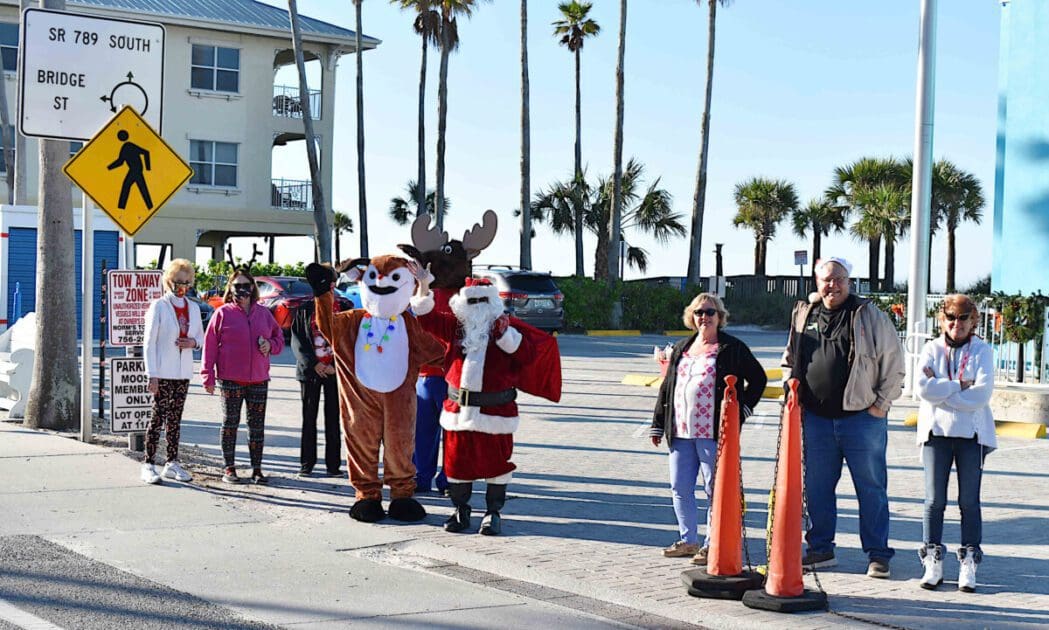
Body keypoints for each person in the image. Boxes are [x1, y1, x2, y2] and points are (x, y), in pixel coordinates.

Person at [781, 257, 905, 578]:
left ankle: (878, 555)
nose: (832, 285)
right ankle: (821, 549)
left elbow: (894, 362)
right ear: (816, 282)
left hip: (862, 419)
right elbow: (790, 358)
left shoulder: (868, 315)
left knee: (871, 488)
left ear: (849, 281)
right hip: (816, 420)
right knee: (818, 488)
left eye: (838, 279)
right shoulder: (804, 314)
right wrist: (791, 394)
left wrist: (881, 405)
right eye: (826, 280)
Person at [413, 272, 562, 536]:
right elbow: (427, 318)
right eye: (473, 301)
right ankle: (461, 509)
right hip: (458, 412)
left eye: (483, 300)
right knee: (457, 465)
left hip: (497, 413)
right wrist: (424, 285)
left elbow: (527, 356)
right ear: (462, 304)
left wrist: (506, 336)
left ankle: (493, 513)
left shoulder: (507, 330)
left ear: (493, 303)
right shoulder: (455, 328)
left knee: (497, 467)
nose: (478, 306)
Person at [650, 293, 766, 565]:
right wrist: (657, 423)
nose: (704, 317)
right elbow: (668, 387)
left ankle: (711, 544)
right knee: (680, 486)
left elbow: (758, 379)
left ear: (720, 317)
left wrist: (742, 410)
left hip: (714, 432)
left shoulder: (732, 348)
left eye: (710, 312)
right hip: (680, 431)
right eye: (699, 312)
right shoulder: (682, 347)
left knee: (714, 488)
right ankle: (688, 539)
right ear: (692, 316)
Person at [915, 294, 996, 592]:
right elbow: (921, 388)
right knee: (935, 501)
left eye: (963, 317)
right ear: (942, 319)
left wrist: (943, 391)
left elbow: (981, 395)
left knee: (969, 502)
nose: (956, 323)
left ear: (973, 320)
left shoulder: (983, 351)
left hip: (971, 437)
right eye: (950, 316)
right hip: (936, 434)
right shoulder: (931, 348)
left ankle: (969, 561)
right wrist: (959, 385)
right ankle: (932, 558)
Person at [201, 269, 284, 485]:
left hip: (258, 379)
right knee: (230, 424)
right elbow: (209, 346)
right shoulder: (222, 313)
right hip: (230, 380)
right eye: (237, 286)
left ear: (253, 289)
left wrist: (270, 345)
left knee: (257, 427)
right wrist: (207, 376)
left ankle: (257, 469)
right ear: (231, 288)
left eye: (246, 285)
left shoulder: (264, 314)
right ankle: (229, 468)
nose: (242, 290)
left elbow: (279, 339)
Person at [140, 258, 204, 485]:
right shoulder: (159, 306)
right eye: (178, 281)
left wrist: (193, 343)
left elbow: (200, 338)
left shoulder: (194, 308)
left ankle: (172, 462)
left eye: (186, 281)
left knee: (175, 419)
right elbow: (149, 342)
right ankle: (148, 463)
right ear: (169, 281)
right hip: (162, 371)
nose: (182, 286)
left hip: (182, 373)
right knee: (157, 417)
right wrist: (152, 374)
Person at [290, 295, 343, 477]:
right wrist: (315, 363)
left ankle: (333, 465)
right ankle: (307, 464)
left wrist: (335, 366)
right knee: (309, 417)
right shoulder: (305, 308)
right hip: (310, 371)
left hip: (334, 372)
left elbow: (348, 339)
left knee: (333, 418)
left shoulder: (342, 307)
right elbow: (297, 341)